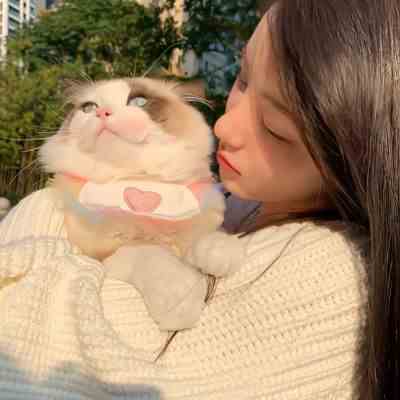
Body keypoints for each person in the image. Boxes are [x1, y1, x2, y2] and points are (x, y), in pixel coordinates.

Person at [0, 0, 397, 398]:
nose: (224, 125)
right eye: (243, 78)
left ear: (357, 162)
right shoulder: (228, 202)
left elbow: (48, 354)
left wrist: (44, 212)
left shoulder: (332, 274)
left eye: (274, 129)